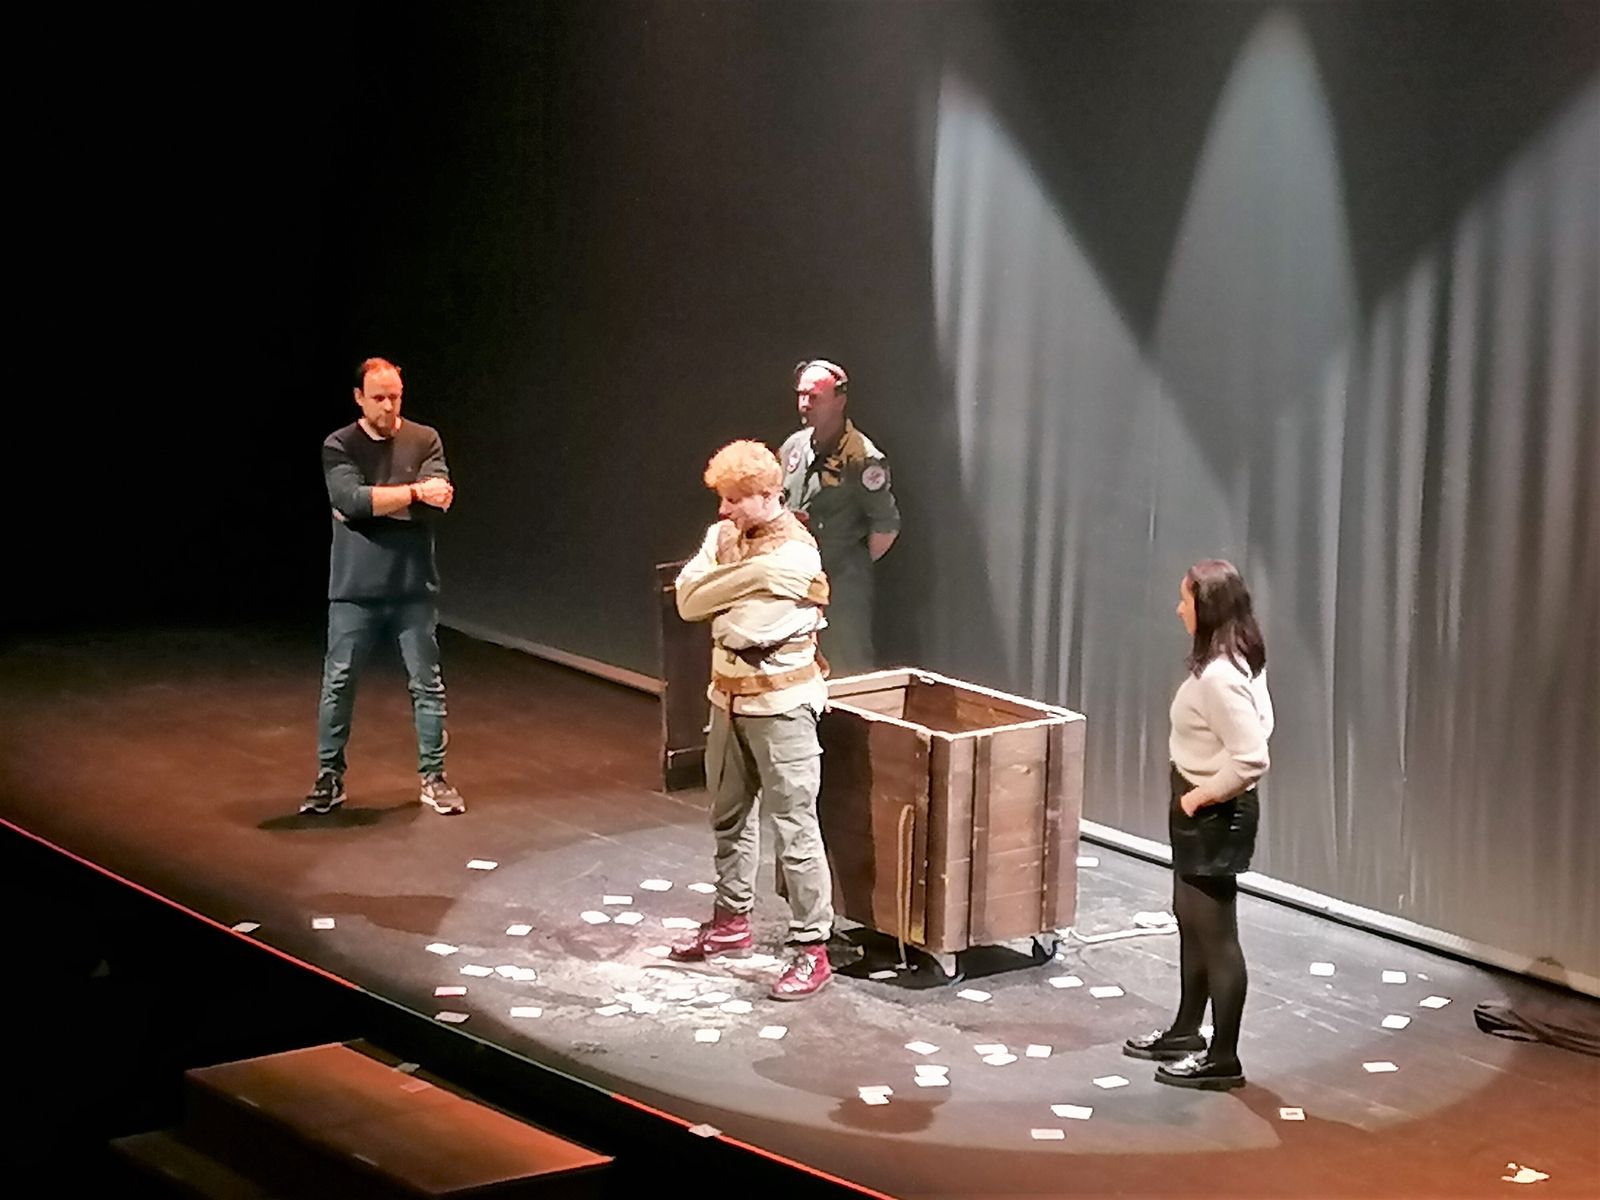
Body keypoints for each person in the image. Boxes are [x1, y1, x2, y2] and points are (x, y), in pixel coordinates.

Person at [672, 439, 836, 1000]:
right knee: (727, 816)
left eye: (735, 500)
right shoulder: (723, 537)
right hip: (728, 701)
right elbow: (690, 602)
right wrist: (742, 587)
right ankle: (730, 923)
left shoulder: (797, 553)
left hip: (783, 706)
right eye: (722, 499)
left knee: (795, 827)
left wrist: (725, 600)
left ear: (769, 495)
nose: (724, 511)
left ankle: (812, 948)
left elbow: (745, 631)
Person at [1123, 559, 1273, 1090]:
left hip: (1212, 813)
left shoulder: (1221, 677)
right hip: (1199, 805)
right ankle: (1187, 1029)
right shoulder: (1233, 660)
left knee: (1217, 937)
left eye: (1185, 600)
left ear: (1206, 607)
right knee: (1191, 922)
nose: (1178, 608)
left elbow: (1253, 756)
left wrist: (1200, 798)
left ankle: (1223, 1057)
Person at [303, 357, 466, 817]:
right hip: (355, 588)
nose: (389, 406)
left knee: (427, 685)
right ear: (359, 398)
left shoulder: (424, 438)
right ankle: (329, 777)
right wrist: (412, 493)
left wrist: (378, 503)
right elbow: (350, 501)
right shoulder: (340, 444)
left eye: (395, 396)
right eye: (379, 398)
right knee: (339, 682)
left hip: (413, 587)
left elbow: (442, 499)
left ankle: (433, 778)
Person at [779, 359, 899, 675]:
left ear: (839, 400)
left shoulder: (862, 457)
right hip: (795, 579)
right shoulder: (794, 447)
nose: (805, 404)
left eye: (814, 397)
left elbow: (886, 525)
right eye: (801, 395)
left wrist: (849, 562)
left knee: (846, 664)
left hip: (840, 586)